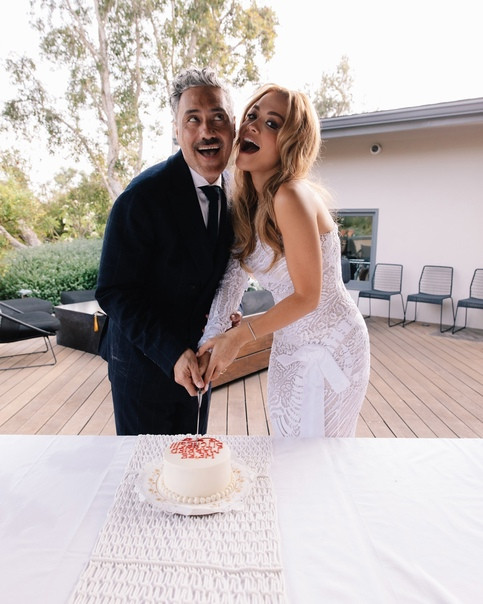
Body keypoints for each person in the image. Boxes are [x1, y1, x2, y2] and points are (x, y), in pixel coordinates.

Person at [197, 84, 370, 437]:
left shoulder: (290, 195)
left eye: (272, 123)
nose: (252, 125)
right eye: (252, 115)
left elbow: (307, 296)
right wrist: (210, 342)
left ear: (292, 142)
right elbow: (232, 280)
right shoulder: (246, 204)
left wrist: (239, 336)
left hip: (334, 346)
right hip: (289, 346)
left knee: (318, 458)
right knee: (288, 447)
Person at [95, 67, 236, 435]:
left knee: (191, 459)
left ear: (233, 126)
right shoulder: (142, 196)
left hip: (199, 367)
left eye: (217, 117)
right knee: (147, 466)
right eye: (193, 119)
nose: (207, 131)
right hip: (142, 365)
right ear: (176, 130)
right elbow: (113, 290)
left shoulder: (236, 192)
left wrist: (224, 315)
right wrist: (171, 353)